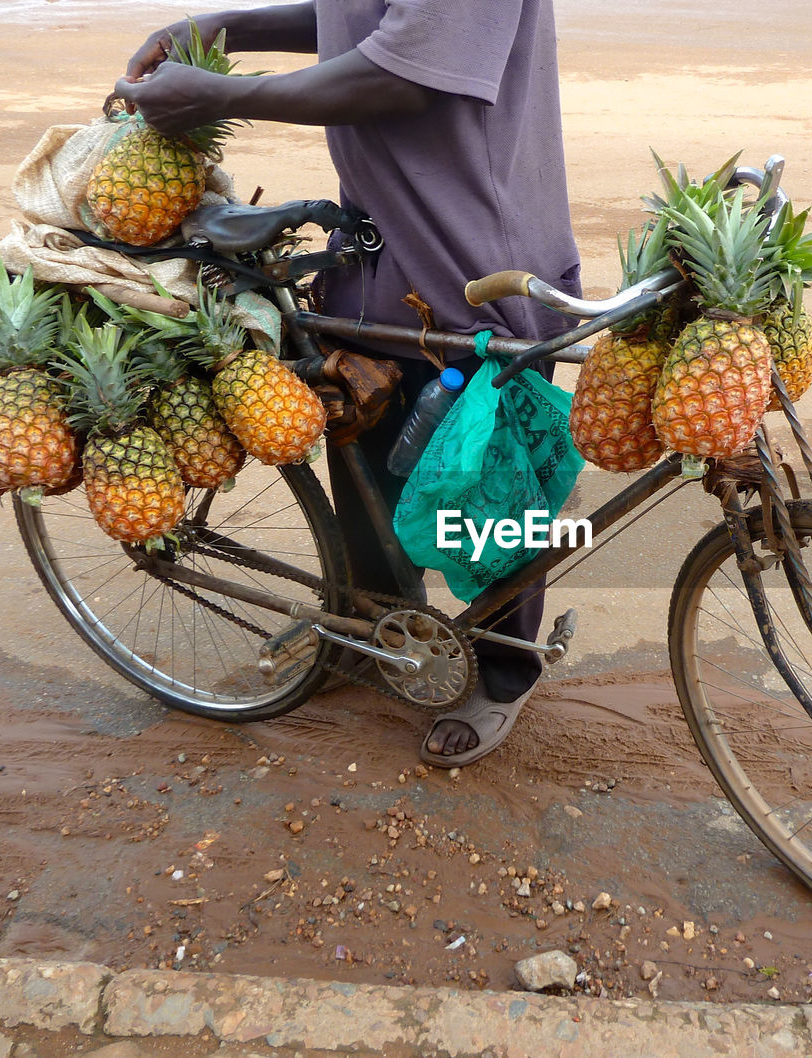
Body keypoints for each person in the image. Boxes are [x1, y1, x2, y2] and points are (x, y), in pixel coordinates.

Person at [118, 0, 582, 766]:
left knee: (493, 483)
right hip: (373, 249)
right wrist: (225, 29)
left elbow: (403, 71)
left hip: (472, 257)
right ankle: (372, 634)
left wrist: (222, 94)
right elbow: (354, 14)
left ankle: (506, 668)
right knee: (363, 442)